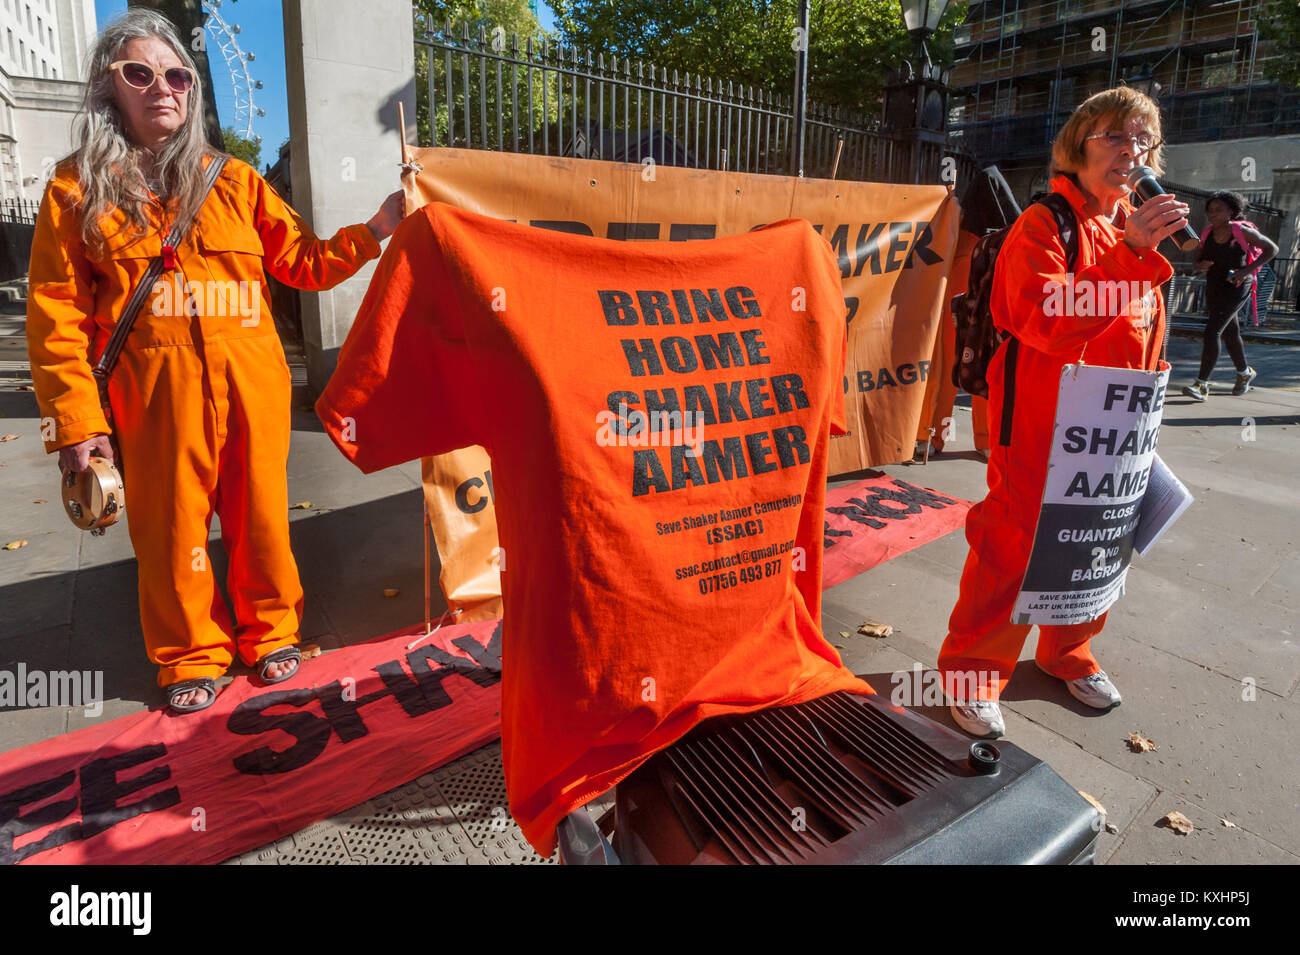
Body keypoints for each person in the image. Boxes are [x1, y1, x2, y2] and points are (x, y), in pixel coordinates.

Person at [26, 10, 404, 713]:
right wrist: (76, 425)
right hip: (156, 393)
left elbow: (305, 261)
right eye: (139, 73)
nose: (162, 88)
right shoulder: (74, 189)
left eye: (177, 76)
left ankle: (272, 632)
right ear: (111, 87)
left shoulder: (233, 181)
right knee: (171, 530)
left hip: (252, 385)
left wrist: (380, 227)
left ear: (192, 90)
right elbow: (55, 317)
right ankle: (191, 652)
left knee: (262, 516)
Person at [937, 87, 1188, 738]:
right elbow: (1046, 320)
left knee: (1097, 549)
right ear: (1079, 146)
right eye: (1115, 137)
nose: (1131, 152)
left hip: (1112, 434)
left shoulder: (1132, 227)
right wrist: (1132, 254)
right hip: (1041, 429)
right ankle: (972, 673)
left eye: (1143, 141)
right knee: (1011, 549)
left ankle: (1065, 651)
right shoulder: (1047, 223)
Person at [1181, 190, 1278, 401]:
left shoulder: (1241, 231)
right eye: (1210, 210)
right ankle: (1244, 373)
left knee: (1212, 332)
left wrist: (1245, 271)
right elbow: (1196, 262)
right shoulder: (1206, 234)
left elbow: (1272, 249)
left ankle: (1201, 385)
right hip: (1215, 286)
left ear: (1231, 211)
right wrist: (1201, 265)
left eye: (1218, 210)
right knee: (1229, 333)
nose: (1213, 214)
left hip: (1238, 286)